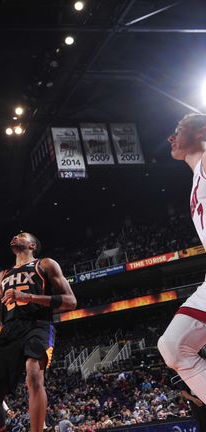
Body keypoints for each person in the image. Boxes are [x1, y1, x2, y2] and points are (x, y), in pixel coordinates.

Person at [0, 232, 76, 432]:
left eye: (21, 236)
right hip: (10, 330)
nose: (15, 237)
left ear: (32, 245)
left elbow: (71, 301)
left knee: (34, 374)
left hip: (37, 324)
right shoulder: (2, 275)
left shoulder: (45, 264)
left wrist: (28, 297)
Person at [159, 113, 206, 402]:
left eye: (178, 129)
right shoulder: (197, 173)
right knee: (173, 346)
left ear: (202, 132)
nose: (170, 137)